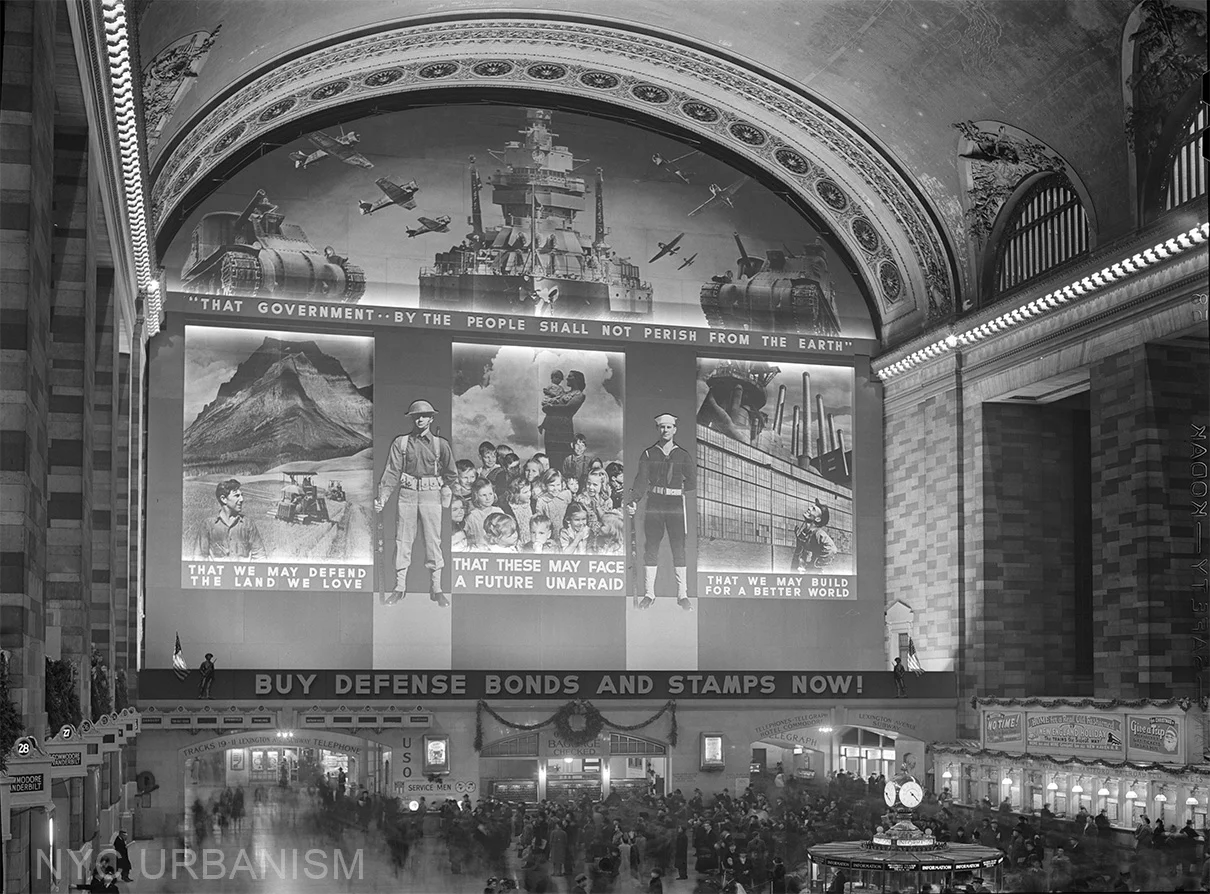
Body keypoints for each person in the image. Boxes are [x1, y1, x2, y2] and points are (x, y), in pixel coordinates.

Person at [375, 399, 456, 606]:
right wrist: (382, 497)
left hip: (431, 495)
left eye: (424, 416)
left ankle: (436, 589)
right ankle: (399, 588)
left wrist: (445, 488)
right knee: (402, 540)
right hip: (407, 494)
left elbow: (451, 474)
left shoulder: (441, 444)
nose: (420, 419)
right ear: (412, 419)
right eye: (416, 416)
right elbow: (392, 472)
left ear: (431, 419)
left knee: (433, 541)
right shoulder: (401, 443)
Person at [628, 413, 695, 610]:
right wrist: (634, 500)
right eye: (662, 427)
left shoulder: (683, 455)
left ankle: (682, 595)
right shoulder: (649, 454)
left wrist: (678, 488)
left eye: (668, 427)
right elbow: (641, 480)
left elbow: (692, 480)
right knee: (651, 547)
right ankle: (649, 594)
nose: (665, 430)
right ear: (658, 429)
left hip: (675, 505)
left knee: (678, 548)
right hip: (655, 503)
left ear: (675, 430)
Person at [196, 478, 266, 560]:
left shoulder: (248, 524)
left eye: (241, 495)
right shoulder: (208, 525)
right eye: (237, 496)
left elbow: (260, 557)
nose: (242, 499)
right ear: (223, 499)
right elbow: (199, 558)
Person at [540, 369, 587, 471]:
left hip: (563, 429)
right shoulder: (563, 393)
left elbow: (568, 408)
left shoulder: (579, 395)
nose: (567, 378)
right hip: (551, 429)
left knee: (563, 458)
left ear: (577, 379)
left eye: (570, 376)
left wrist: (551, 408)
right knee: (551, 456)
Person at [791, 499, 837, 571]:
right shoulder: (804, 533)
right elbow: (799, 553)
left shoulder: (818, 533)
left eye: (813, 509)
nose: (809, 508)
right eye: (811, 507)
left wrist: (816, 564)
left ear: (818, 519)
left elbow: (832, 550)